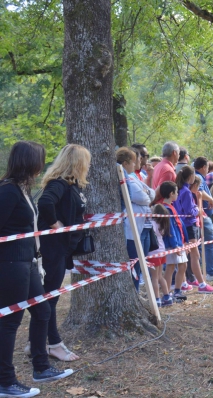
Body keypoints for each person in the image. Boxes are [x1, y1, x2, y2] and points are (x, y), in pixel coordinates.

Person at [0, 141, 73, 397]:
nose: (43, 165)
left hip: (28, 262)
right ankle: (5, 381)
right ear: (29, 162)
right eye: (40, 160)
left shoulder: (22, 190)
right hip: (10, 264)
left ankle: (41, 367)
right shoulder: (8, 191)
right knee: (10, 322)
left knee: (42, 310)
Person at [37, 144, 92, 363]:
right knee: (50, 297)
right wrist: (55, 223)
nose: (88, 166)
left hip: (63, 248)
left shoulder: (72, 186)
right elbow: (45, 203)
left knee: (49, 296)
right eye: (85, 161)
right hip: (54, 248)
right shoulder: (59, 184)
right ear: (77, 163)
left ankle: (36, 342)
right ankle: (54, 344)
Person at [116, 147, 154, 293]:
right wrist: (147, 194)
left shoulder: (134, 177)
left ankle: (136, 294)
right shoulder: (128, 178)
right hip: (132, 229)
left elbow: (151, 194)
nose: (135, 164)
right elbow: (141, 197)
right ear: (125, 163)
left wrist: (147, 194)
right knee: (134, 264)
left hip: (143, 226)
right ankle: (134, 293)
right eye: (133, 162)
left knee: (140, 264)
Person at [174, 166, 213, 294]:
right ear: (191, 177)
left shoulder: (180, 189)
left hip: (184, 224)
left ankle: (183, 283)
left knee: (186, 254)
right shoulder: (186, 191)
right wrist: (198, 210)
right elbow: (189, 211)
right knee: (194, 255)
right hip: (189, 225)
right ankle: (202, 284)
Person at [159, 181, 189, 301]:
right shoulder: (165, 209)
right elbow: (170, 229)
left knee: (183, 265)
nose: (178, 194)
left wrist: (185, 241)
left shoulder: (171, 207)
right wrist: (175, 245)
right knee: (170, 267)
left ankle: (177, 290)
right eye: (176, 192)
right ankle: (167, 293)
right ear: (171, 193)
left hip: (179, 242)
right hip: (173, 244)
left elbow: (180, 225)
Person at [147, 205, 174, 307]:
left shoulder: (152, 223)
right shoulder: (162, 224)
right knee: (160, 276)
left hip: (153, 252)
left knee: (154, 278)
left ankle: (157, 298)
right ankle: (167, 296)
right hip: (161, 251)